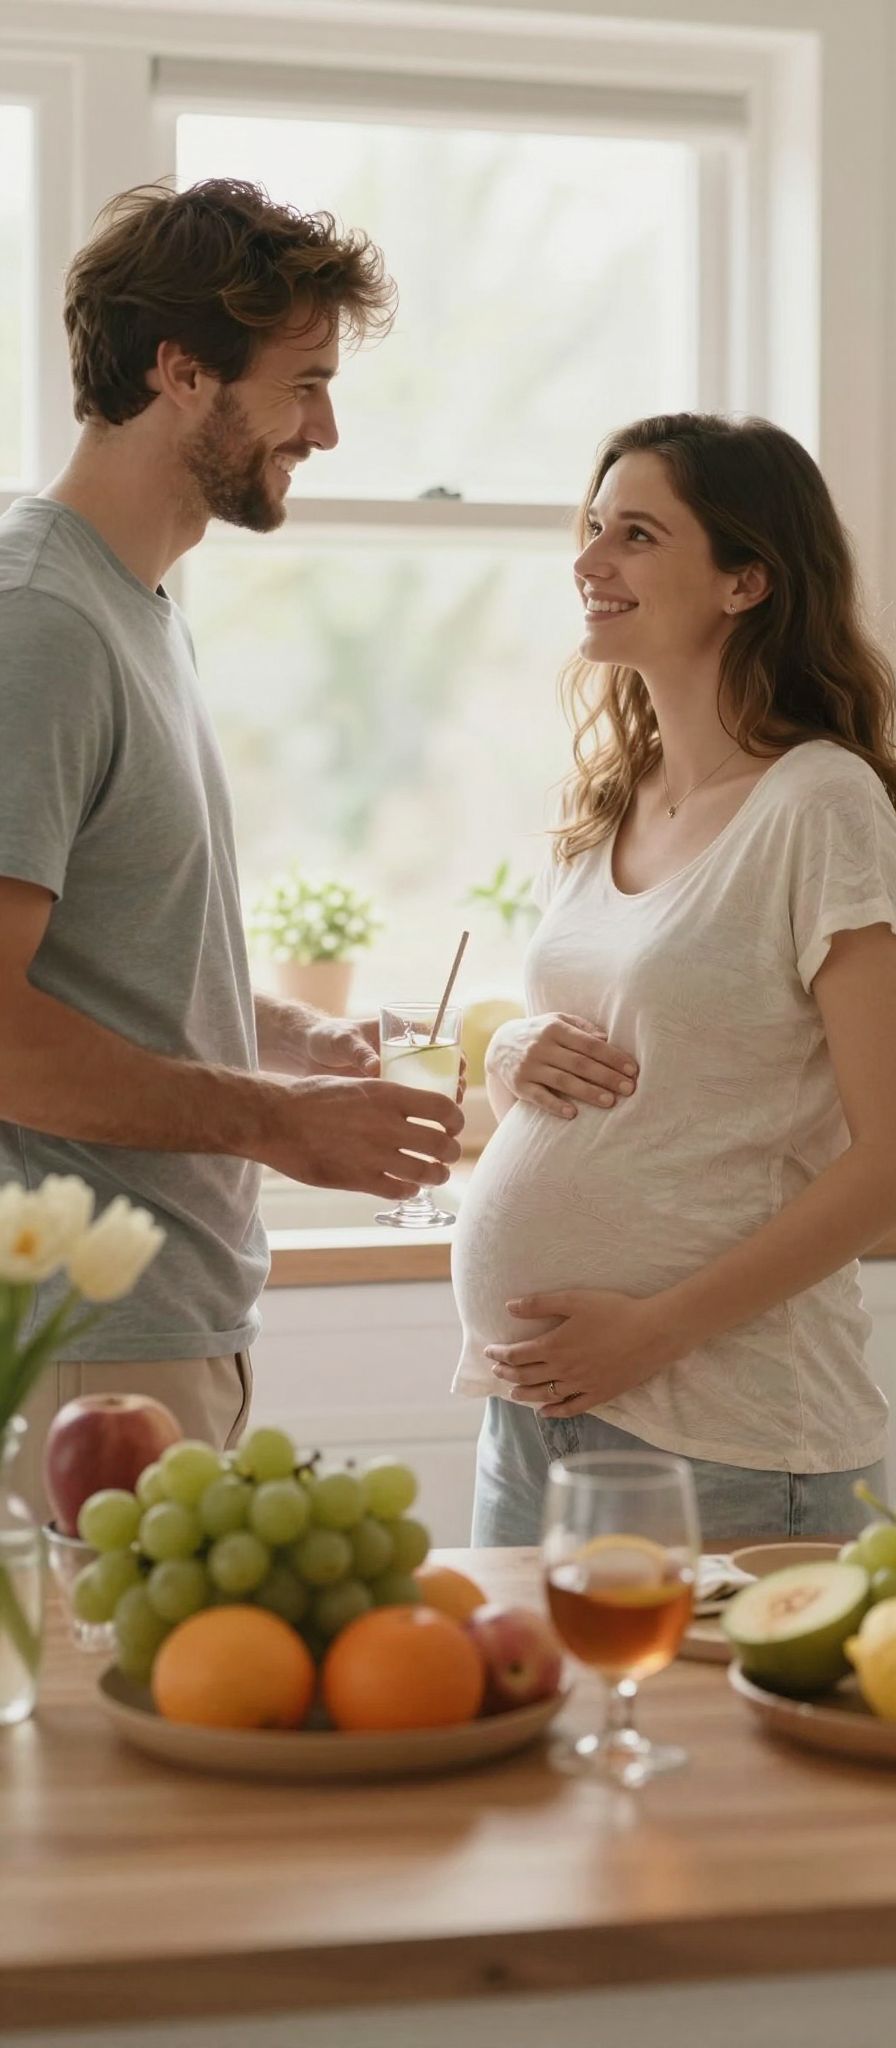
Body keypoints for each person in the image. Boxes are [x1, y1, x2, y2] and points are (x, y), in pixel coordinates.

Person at [0, 180, 463, 1513]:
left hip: (159, 1317)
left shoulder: (133, 607)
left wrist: (277, 1037)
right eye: (303, 382)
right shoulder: (42, 624)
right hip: (75, 1341)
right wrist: (280, 1124)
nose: (325, 427)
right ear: (181, 370)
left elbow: (98, 958)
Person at [452, 412, 896, 1546]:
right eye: (591, 528)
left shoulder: (821, 805)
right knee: (529, 1725)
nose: (589, 562)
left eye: (635, 534)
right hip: (533, 1419)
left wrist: (655, 1331)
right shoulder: (609, 804)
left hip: (720, 1437)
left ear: (746, 581)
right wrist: (514, 1053)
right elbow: (654, 1060)